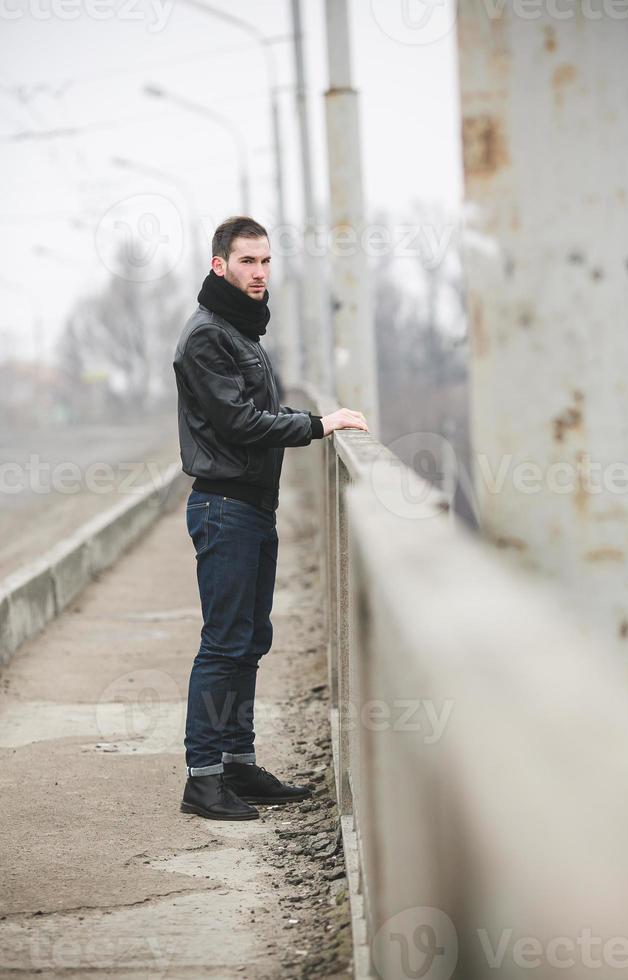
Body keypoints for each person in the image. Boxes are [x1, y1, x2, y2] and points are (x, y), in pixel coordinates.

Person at [173, 215, 369, 821]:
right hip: (225, 507)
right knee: (224, 645)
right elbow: (237, 423)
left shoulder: (240, 331)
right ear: (219, 266)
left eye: (265, 262)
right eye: (247, 262)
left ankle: (236, 763)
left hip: (252, 507)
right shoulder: (208, 336)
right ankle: (203, 779)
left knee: (250, 641)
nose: (259, 274)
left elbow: (255, 408)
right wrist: (317, 424)